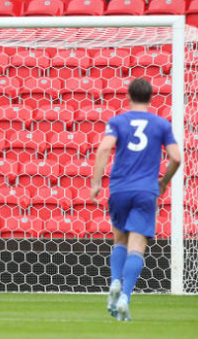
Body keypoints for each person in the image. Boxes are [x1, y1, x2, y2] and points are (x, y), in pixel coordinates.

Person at [90, 78, 181, 321]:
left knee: (119, 239)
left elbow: (103, 148)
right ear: (151, 98)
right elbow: (177, 157)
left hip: (119, 188)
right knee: (137, 246)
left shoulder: (118, 121)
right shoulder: (161, 124)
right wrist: (164, 181)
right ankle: (125, 298)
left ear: (128, 97)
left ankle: (113, 282)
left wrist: (96, 182)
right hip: (145, 191)